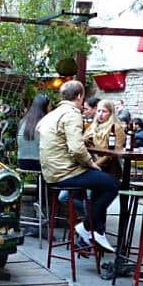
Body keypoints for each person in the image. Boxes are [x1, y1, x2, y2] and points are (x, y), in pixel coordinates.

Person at [37, 80, 119, 252]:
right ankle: (89, 227)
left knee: (99, 183)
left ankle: (93, 230)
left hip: (51, 173)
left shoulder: (52, 114)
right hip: (66, 173)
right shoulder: (72, 114)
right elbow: (76, 148)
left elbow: (41, 130)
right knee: (111, 184)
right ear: (80, 96)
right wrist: (90, 163)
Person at [84, 99, 125, 178]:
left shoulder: (116, 127)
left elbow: (113, 152)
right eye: (99, 111)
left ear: (111, 113)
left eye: (104, 111)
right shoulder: (93, 126)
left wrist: (95, 165)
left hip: (108, 168)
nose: (100, 114)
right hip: (91, 164)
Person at [17, 94, 50, 171]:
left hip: (22, 162)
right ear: (44, 107)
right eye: (49, 106)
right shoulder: (45, 122)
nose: (50, 108)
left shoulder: (22, 121)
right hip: (39, 163)